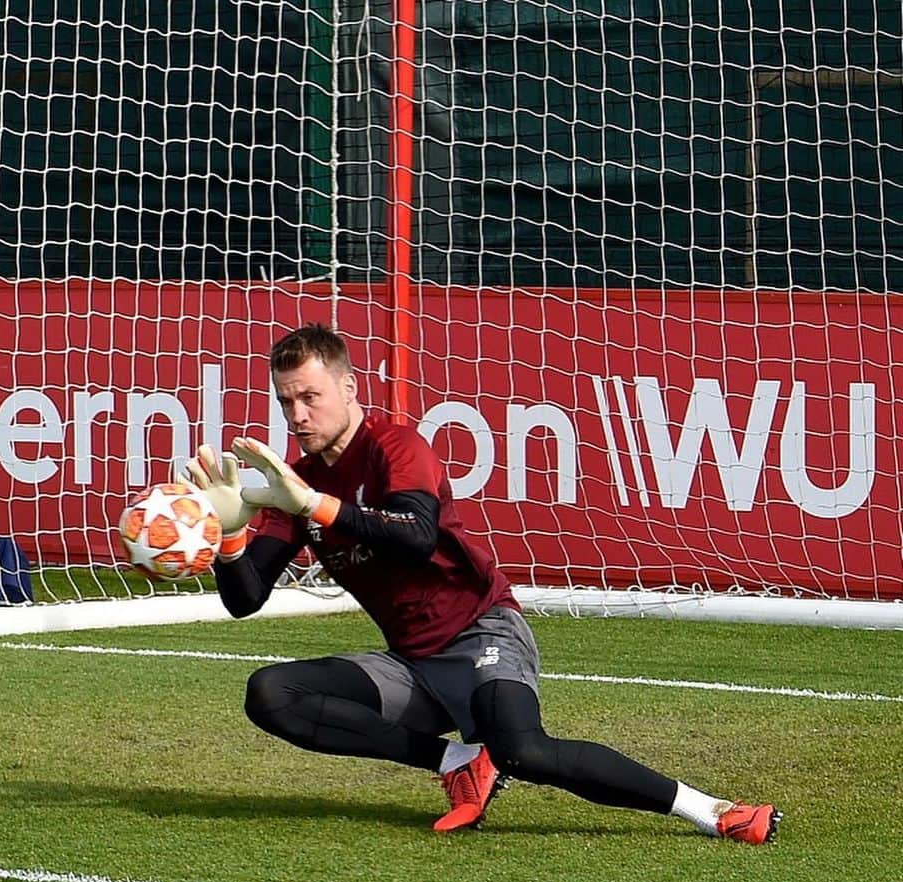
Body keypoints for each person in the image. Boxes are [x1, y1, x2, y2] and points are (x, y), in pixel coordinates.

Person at [186, 323, 780, 842]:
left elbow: (416, 535)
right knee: (270, 694)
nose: (297, 416)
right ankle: (459, 760)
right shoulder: (298, 483)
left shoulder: (395, 447)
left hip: (482, 633)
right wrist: (229, 537)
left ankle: (714, 810)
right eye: (286, 402)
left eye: (310, 397)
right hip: (413, 664)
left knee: (524, 751)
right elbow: (246, 598)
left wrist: (315, 504)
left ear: (348, 388)